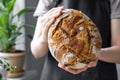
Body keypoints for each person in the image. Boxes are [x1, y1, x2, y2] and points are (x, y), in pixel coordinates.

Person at [31, 0, 120, 80]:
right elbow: (36, 52)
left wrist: (93, 54)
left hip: (100, 75)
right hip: (56, 76)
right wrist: (43, 37)